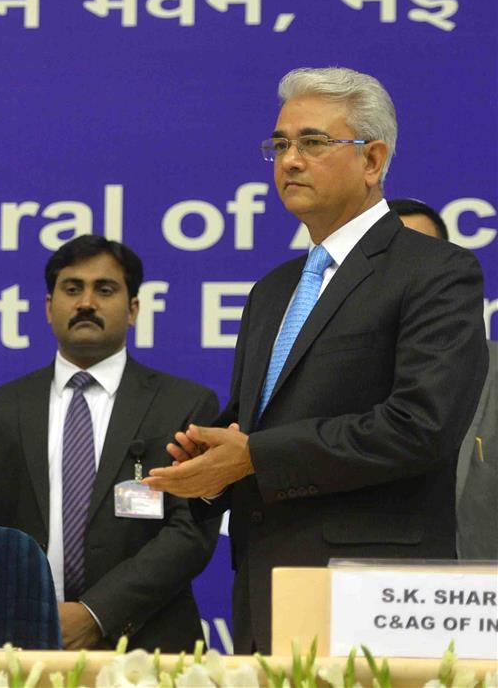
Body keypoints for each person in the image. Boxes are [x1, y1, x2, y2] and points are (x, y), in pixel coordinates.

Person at [146, 68, 489, 652]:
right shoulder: (273, 290)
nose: (290, 160)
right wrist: (206, 470)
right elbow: (256, 431)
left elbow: (421, 426)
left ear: (373, 160)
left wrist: (254, 455)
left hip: (374, 599)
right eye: (280, 145)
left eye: (312, 142)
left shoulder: (435, 271)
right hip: (266, 594)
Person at [0, 235, 220, 652]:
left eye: (105, 289)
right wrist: (32, 613)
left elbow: (191, 531)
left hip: (149, 643)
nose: (86, 303)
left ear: (133, 310)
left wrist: (96, 613)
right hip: (21, 642)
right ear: (48, 307)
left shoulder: (183, 405)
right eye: (72, 289)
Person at [388, 197, 497, 561]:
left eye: (420, 257)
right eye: (387, 260)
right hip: (364, 594)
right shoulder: (326, 374)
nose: (404, 275)